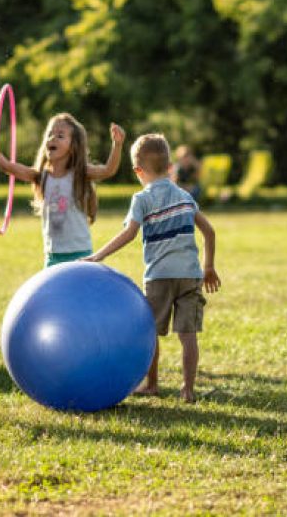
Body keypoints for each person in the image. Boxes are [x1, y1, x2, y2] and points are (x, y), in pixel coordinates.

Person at [84, 133, 221, 402]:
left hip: (159, 277)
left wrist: (97, 256)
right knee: (188, 334)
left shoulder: (142, 199)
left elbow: (129, 234)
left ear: (138, 170)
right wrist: (209, 267)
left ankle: (153, 383)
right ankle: (188, 389)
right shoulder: (184, 196)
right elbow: (210, 232)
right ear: (170, 166)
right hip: (190, 275)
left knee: (150, 332)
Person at [0, 113, 125, 267]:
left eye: (60, 136)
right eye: (49, 134)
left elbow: (109, 170)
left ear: (73, 146)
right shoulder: (40, 177)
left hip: (81, 254)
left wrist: (117, 145)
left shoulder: (80, 174)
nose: (52, 138)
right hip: (52, 257)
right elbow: (6, 166)